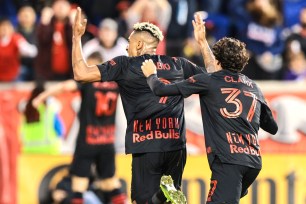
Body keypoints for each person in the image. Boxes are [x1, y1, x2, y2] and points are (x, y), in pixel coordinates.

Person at [71, 7, 215, 204]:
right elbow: (214, 78)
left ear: (138, 44)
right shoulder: (178, 64)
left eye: (129, 44)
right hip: (176, 146)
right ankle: (164, 194)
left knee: (141, 201)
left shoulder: (125, 65)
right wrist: (202, 43)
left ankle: (160, 195)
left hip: (146, 144)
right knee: (167, 199)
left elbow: (81, 73)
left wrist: (76, 38)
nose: (126, 48)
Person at [141, 16, 278, 203]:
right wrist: (202, 42)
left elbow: (160, 90)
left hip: (229, 162)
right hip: (253, 163)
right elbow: (272, 127)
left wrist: (151, 75)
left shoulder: (209, 81)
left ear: (219, 59)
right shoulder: (253, 86)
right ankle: (159, 199)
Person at [33, 52, 126, 204]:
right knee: (111, 183)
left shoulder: (87, 82)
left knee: (78, 186)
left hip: (88, 140)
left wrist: (40, 97)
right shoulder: (115, 84)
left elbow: (64, 86)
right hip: (107, 141)